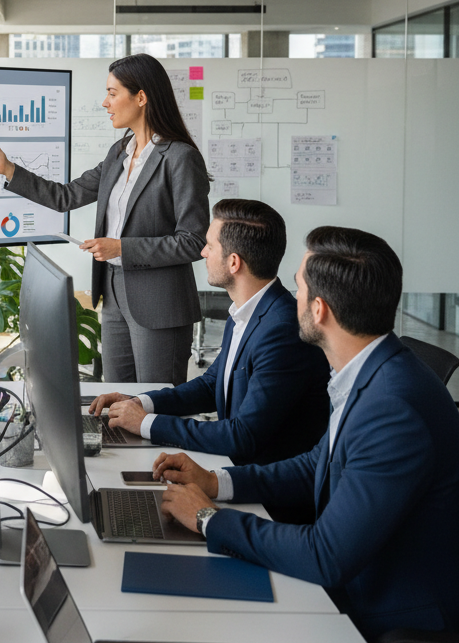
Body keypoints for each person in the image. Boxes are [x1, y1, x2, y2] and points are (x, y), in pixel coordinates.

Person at [156, 227, 459, 643]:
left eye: (300, 284)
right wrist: (217, 482)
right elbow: (318, 462)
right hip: (360, 588)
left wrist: (208, 519)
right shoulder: (372, 370)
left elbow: (327, 555)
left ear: (321, 311)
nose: (291, 291)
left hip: (402, 639)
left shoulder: (394, 406)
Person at [0, 53, 209, 385]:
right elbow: (66, 196)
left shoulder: (179, 158)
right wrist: (8, 170)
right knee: (116, 400)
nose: (105, 102)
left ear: (141, 97)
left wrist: (122, 248)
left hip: (159, 301)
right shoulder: (119, 153)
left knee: (155, 402)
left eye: (112, 92)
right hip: (113, 293)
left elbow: (193, 241)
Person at [88, 200, 330, 475]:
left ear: (234, 263)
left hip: (261, 486)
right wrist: (140, 402)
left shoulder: (282, 330)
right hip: (234, 466)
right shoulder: (247, 310)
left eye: (210, 246)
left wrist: (147, 424)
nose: (202, 252)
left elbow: (242, 435)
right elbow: (211, 385)